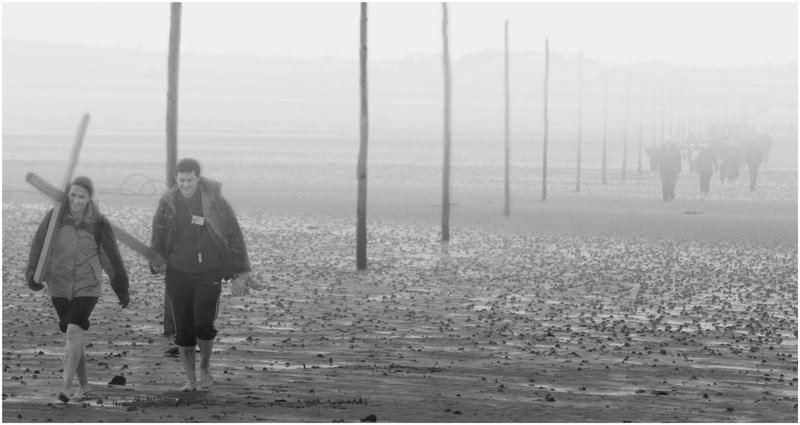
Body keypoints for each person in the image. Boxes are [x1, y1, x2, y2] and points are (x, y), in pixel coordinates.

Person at [150, 158, 263, 392]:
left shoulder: (215, 201)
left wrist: (241, 269)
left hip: (208, 272)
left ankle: (205, 369)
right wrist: (156, 261)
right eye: (181, 180)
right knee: (183, 328)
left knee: (203, 322)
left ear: (198, 178)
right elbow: (158, 234)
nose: (186, 184)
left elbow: (233, 233)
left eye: (190, 180)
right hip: (177, 273)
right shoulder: (168, 202)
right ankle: (190, 379)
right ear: (176, 179)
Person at [25, 176, 130, 403]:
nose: (76, 200)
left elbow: (112, 258)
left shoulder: (98, 223)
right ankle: (83, 386)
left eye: (81, 196)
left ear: (89, 198)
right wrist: (33, 275)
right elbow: (39, 246)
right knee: (75, 336)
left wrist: (121, 288)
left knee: (73, 331)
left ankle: (66, 388)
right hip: (59, 285)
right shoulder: (55, 217)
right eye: (72, 195)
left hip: (87, 286)